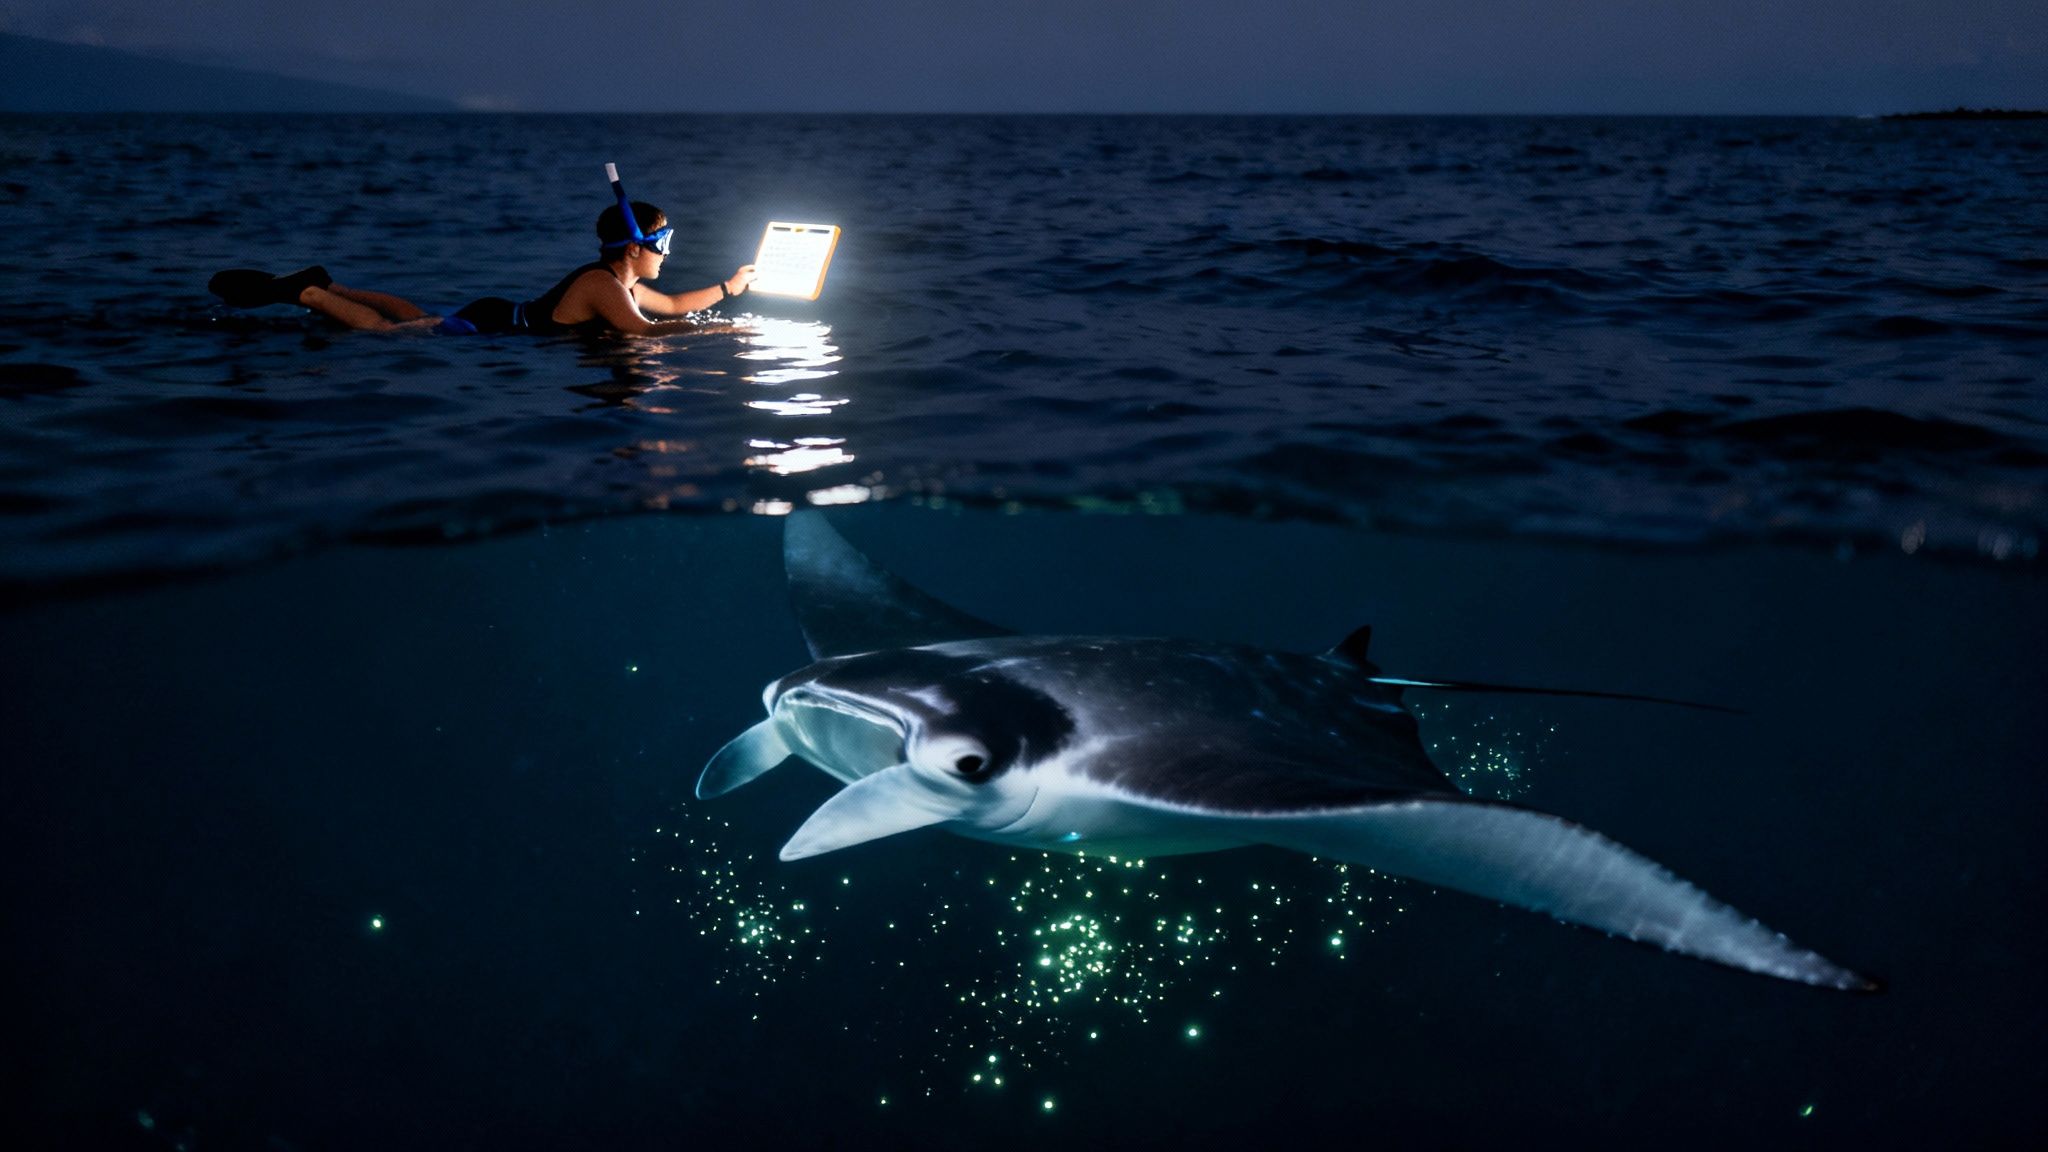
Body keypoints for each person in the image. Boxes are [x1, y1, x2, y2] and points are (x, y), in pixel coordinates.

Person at [209, 197, 756, 336]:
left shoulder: (625, 282)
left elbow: (678, 306)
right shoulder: (602, 285)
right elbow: (642, 332)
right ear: (633, 247)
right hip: (492, 327)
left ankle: (334, 284)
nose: (667, 251)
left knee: (416, 315)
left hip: (496, 313)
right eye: (662, 241)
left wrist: (729, 291)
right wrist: (725, 334)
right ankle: (312, 296)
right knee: (392, 335)